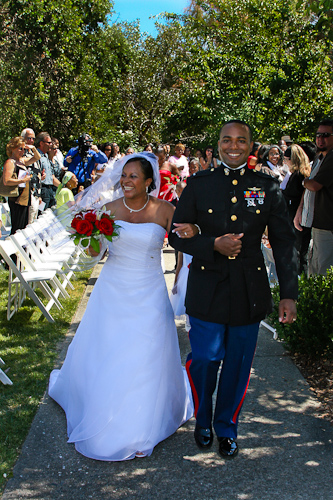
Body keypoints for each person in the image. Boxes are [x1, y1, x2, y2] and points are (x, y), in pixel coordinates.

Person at [48, 152, 193, 461]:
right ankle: (109, 410)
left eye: (133, 176)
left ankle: (143, 423)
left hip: (150, 290)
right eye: (123, 176)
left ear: (149, 181)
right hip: (113, 289)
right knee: (112, 351)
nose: (125, 181)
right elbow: (95, 253)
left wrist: (181, 272)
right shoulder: (108, 210)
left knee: (147, 352)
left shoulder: (166, 210)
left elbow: (185, 242)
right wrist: (86, 235)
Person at [169, 120, 298, 459]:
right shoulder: (199, 184)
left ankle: (226, 427)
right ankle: (203, 420)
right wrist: (212, 243)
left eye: (241, 140)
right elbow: (174, 234)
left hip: (249, 289)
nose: (234, 146)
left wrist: (289, 294)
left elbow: (285, 242)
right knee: (205, 359)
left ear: (250, 144)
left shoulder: (266, 186)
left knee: (238, 365)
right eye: (227, 140)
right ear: (218, 144)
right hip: (207, 287)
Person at [301, 119, 333, 275]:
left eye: (326, 135)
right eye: (318, 135)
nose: (320, 139)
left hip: (328, 225)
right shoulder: (320, 158)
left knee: (323, 270)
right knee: (314, 267)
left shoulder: (332, 157)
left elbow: (314, 185)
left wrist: (305, 181)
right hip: (317, 223)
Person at [282, 145, 311, 274]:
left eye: (286, 159)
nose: (285, 162)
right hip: (295, 216)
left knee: (299, 253)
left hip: (297, 217)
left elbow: (294, 196)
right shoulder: (297, 174)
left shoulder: (300, 175)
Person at [3, 137, 39, 233]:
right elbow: (6, 181)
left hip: (25, 197)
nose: (22, 151)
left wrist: (32, 148)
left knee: (24, 226)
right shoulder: (10, 162)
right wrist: (22, 180)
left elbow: (37, 157)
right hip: (16, 198)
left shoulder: (22, 161)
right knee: (17, 226)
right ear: (12, 148)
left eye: (24, 149)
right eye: (20, 148)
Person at [21, 128, 45, 223]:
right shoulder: (21, 151)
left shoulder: (33, 152)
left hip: (36, 191)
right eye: (29, 138)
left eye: (33, 139)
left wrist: (39, 195)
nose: (31, 141)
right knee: (29, 220)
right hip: (27, 191)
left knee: (35, 218)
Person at [36, 132, 60, 209]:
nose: (50, 144)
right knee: (42, 213)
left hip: (50, 189)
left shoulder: (46, 155)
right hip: (43, 189)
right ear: (41, 143)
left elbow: (51, 175)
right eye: (48, 142)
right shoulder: (37, 156)